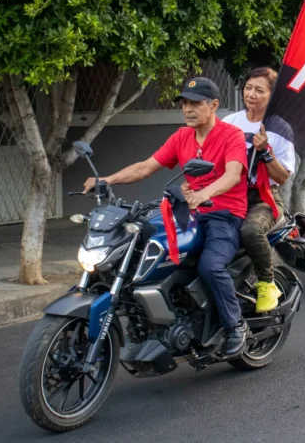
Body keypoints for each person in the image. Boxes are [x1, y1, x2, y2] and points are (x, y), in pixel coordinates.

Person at [82, 77, 249, 357]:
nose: (187, 109)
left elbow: (232, 175)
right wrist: (106, 179)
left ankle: (236, 326)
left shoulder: (231, 135)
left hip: (223, 215)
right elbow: (146, 167)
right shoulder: (181, 137)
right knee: (143, 248)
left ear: (214, 105)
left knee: (210, 265)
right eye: (184, 103)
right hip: (187, 212)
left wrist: (204, 193)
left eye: (195, 103)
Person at [222, 67, 296, 313]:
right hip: (228, 194)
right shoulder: (230, 122)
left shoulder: (280, 128)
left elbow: (283, 177)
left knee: (252, 231)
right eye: (248, 88)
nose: (251, 94)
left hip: (262, 199)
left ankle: (267, 283)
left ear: (271, 96)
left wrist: (265, 152)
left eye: (259, 90)